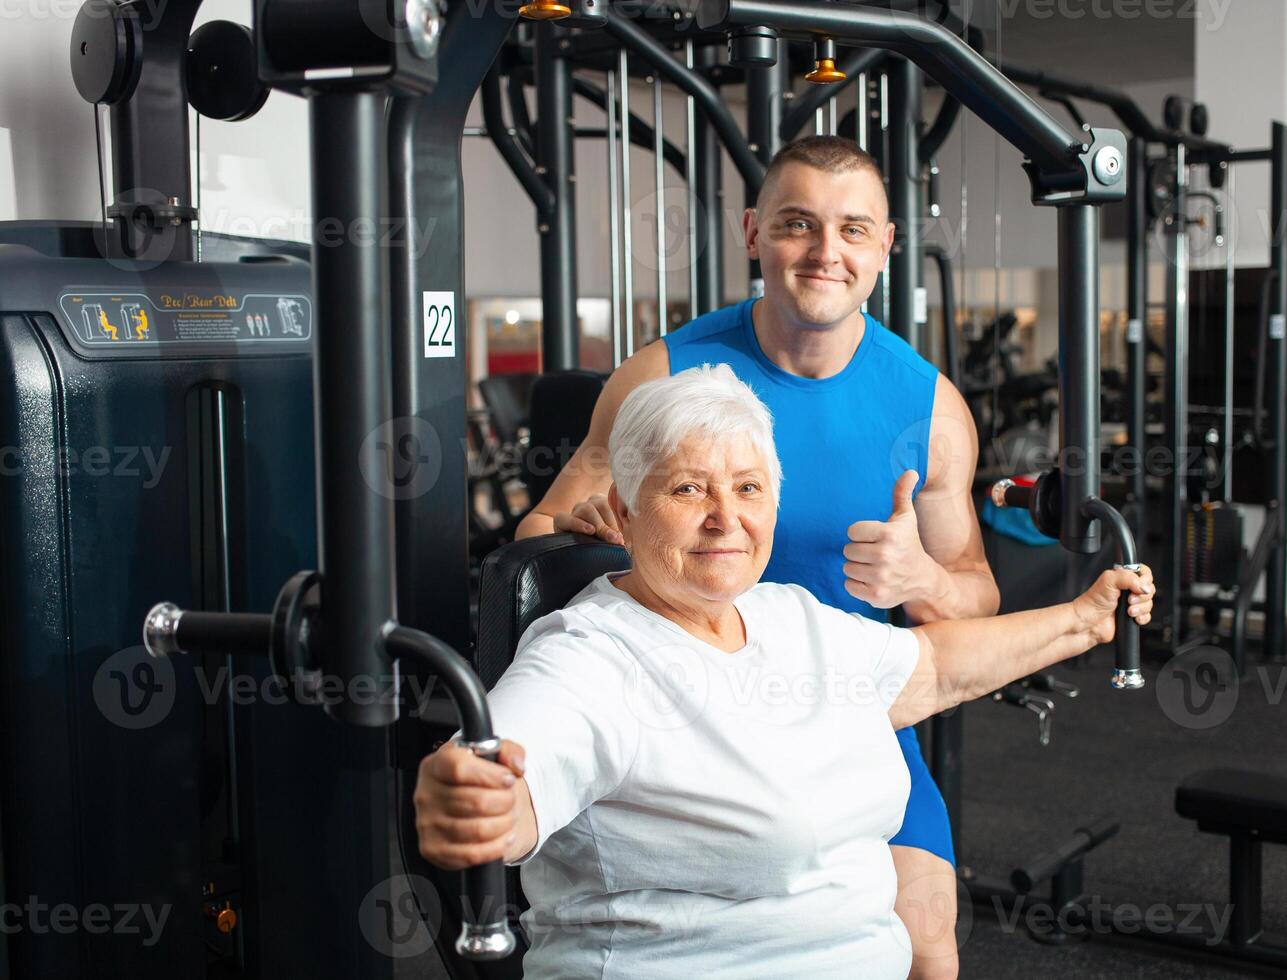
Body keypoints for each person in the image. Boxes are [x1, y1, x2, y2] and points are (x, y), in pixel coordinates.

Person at [419, 366, 1152, 979]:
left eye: (747, 489)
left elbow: (931, 666)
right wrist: (479, 802)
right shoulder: (589, 654)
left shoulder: (786, 615)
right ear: (623, 506)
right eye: (687, 490)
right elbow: (516, 768)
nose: (724, 518)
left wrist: (1085, 620)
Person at [515, 135, 993, 976]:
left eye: (852, 230)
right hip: (689, 716)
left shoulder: (930, 407)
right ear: (752, 234)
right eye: (797, 224)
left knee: (925, 945)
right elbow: (535, 537)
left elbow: (977, 598)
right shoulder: (661, 374)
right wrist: (585, 524)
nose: (824, 253)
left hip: (855, 714)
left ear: (886, 246)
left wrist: (921, 580)